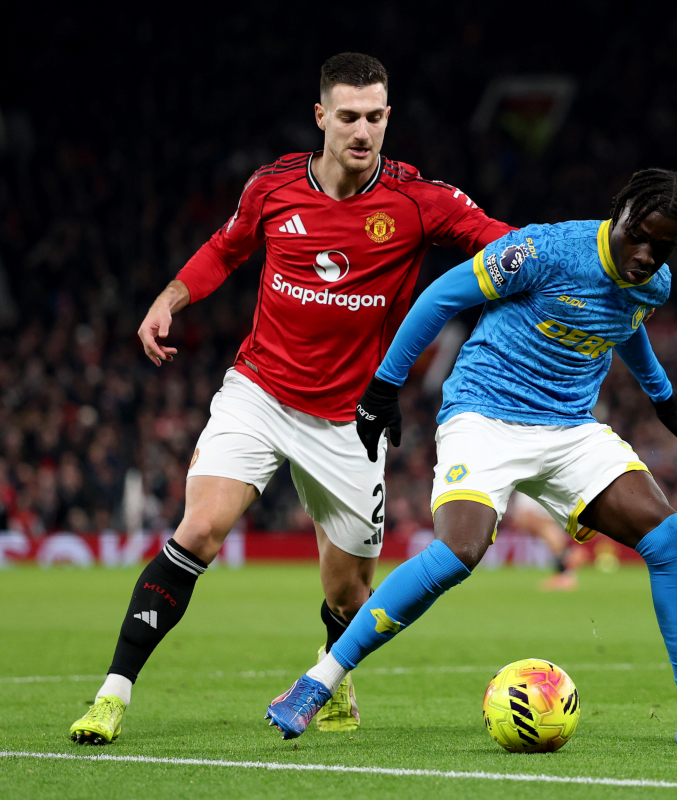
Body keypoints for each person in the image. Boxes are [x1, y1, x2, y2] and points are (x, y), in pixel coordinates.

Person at [69, 53, 513, 744]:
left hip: (350, 423)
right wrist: (170, 298)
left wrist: (574, 265)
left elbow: (507, 248)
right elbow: (224, 250)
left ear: (387, 116)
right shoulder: (274, 187)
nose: (362, 132)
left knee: (347, 593)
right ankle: (112, 694)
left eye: (374, 117)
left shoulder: (421, 202)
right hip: (260, 394)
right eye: (348, 118)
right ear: (321, 118)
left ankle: (333, 683)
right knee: (201, 531)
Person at [266, 169, 677, 746]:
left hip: (570, 429)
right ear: (619, 213)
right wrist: (384, 385)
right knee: (460, 551)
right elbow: (442, 297)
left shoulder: (653, 283)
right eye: (639, 235)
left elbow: (625, 323)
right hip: (484, 415)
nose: (648, 254)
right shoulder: (545, 250)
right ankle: (318, 681)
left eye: (663, 245)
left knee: (668, 536)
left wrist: (664, 398)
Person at [506, 492, 583, 591]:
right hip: (533, 489)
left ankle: (565, 573)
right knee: (540, 525)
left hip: (536, 489)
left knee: (545, 526)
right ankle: (565, 569)